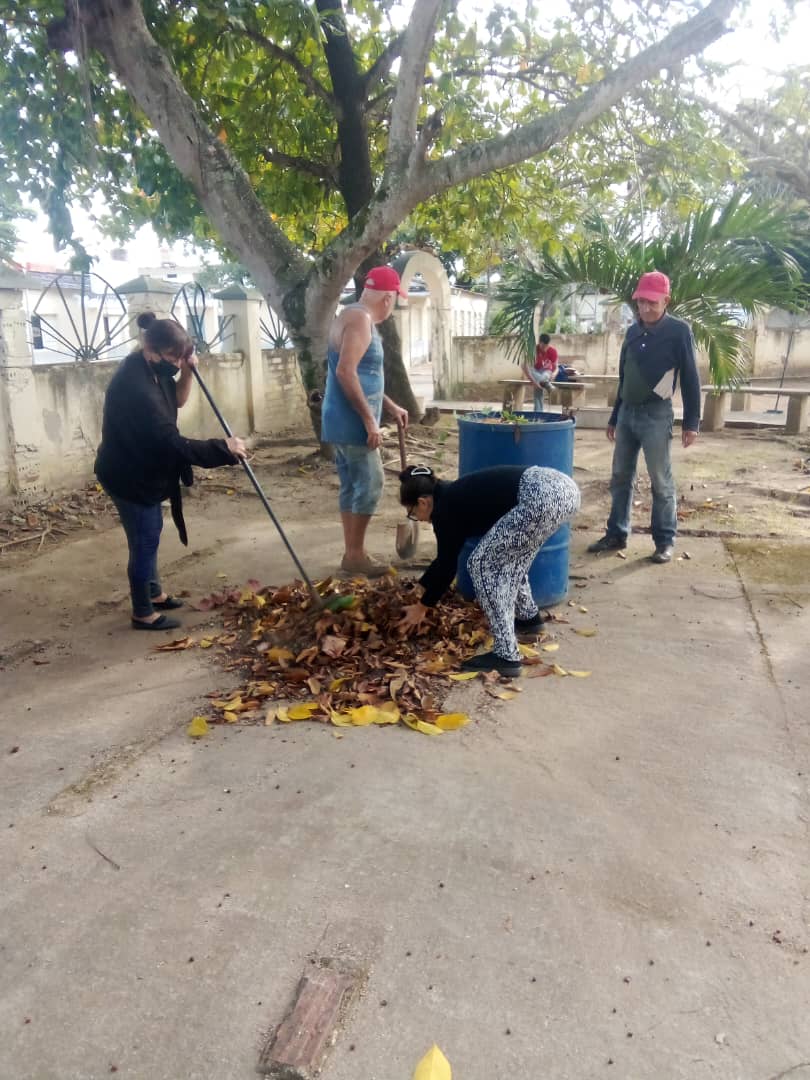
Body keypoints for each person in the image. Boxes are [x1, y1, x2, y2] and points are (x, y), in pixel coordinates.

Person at [95, 313, 247, 631]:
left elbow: (176, 399)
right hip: (128, 476)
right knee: (145, 540)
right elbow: (172, 443)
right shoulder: (136, 387)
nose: (176, 364)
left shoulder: (152, 368)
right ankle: (143, 612)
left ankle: (155, 594)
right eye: (172, 357)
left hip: (143, 468)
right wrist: (224, 448)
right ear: (150, 349)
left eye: (181, 357)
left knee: (148, 535)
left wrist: (189, 372)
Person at [397, 463, 581, 677]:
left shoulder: (444, 510)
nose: (416, 518)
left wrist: (422, 607)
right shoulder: (451, 496)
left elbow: (447, 566)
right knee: (511, 558)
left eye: (412, 513)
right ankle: (529, 619)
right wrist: (422, 586)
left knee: (482, 564)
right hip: (563, 489)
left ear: (423, 502)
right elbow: (445, 557)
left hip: (543, 496)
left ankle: (506, 655)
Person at [587, 271, 700, 564]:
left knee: (661, 481)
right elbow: (624, 377)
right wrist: (614, 416)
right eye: (641, 302)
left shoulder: (679, 331)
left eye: (652, 302)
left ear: (666, 301)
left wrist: (691, 423)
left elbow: (690, 378)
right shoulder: (633, 331)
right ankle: (616, 533)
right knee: (620, 477)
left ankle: (664, 541)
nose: (646, 308)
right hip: (627, 414)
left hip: (656, 415)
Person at [321, 265, 410, 576]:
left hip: (341, 420)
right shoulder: (360, 320)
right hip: (352, 423)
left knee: (353, 485)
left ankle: (351, 554)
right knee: (371, 484)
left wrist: (388, 406)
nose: (394, 305)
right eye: (395, 299)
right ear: (387, 298)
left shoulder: (352, 315)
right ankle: (356, 555)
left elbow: (360, 374)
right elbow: (346, 372)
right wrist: (371, 422)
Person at [521, 333, 559, 412]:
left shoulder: (553, 351)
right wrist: (534, 382)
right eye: (542, 346)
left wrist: (554, 374)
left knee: (542, 378)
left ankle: (537, 413)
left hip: (547, 372)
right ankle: (546, 384)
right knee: (539, 382)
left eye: (546, 346)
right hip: (536, 372)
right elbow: (524, 366)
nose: (544, 348)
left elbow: (556, 368)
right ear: (539, 343)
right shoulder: (533, 350)